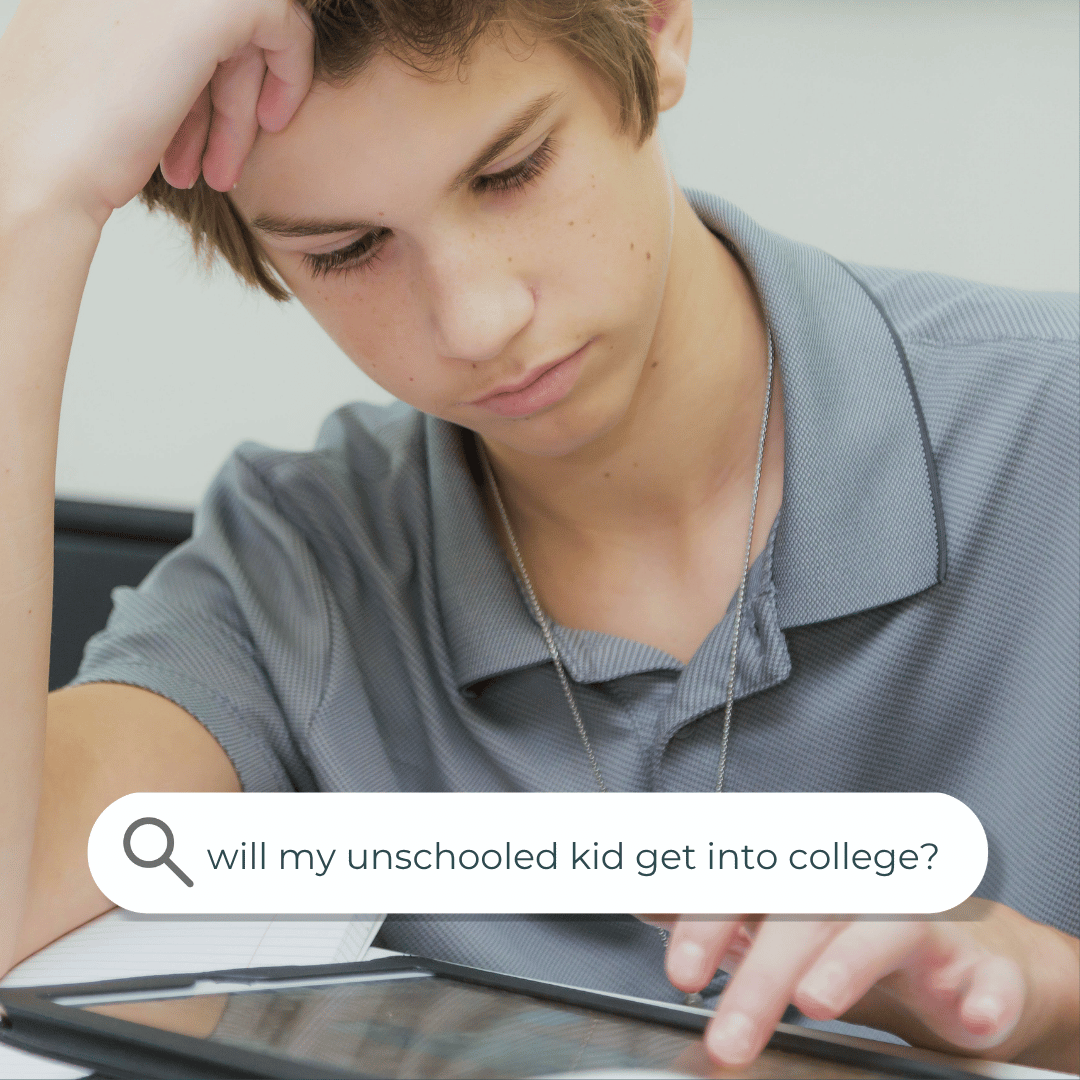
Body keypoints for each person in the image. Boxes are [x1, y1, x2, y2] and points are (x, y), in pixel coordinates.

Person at [1, 0, 1076, 1071]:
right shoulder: (298, 570)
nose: (476, 320)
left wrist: (1046, 992)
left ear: (657, 29)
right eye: (349, 248)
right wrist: (28, 195)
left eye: (510, 171)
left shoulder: (1050, 429)